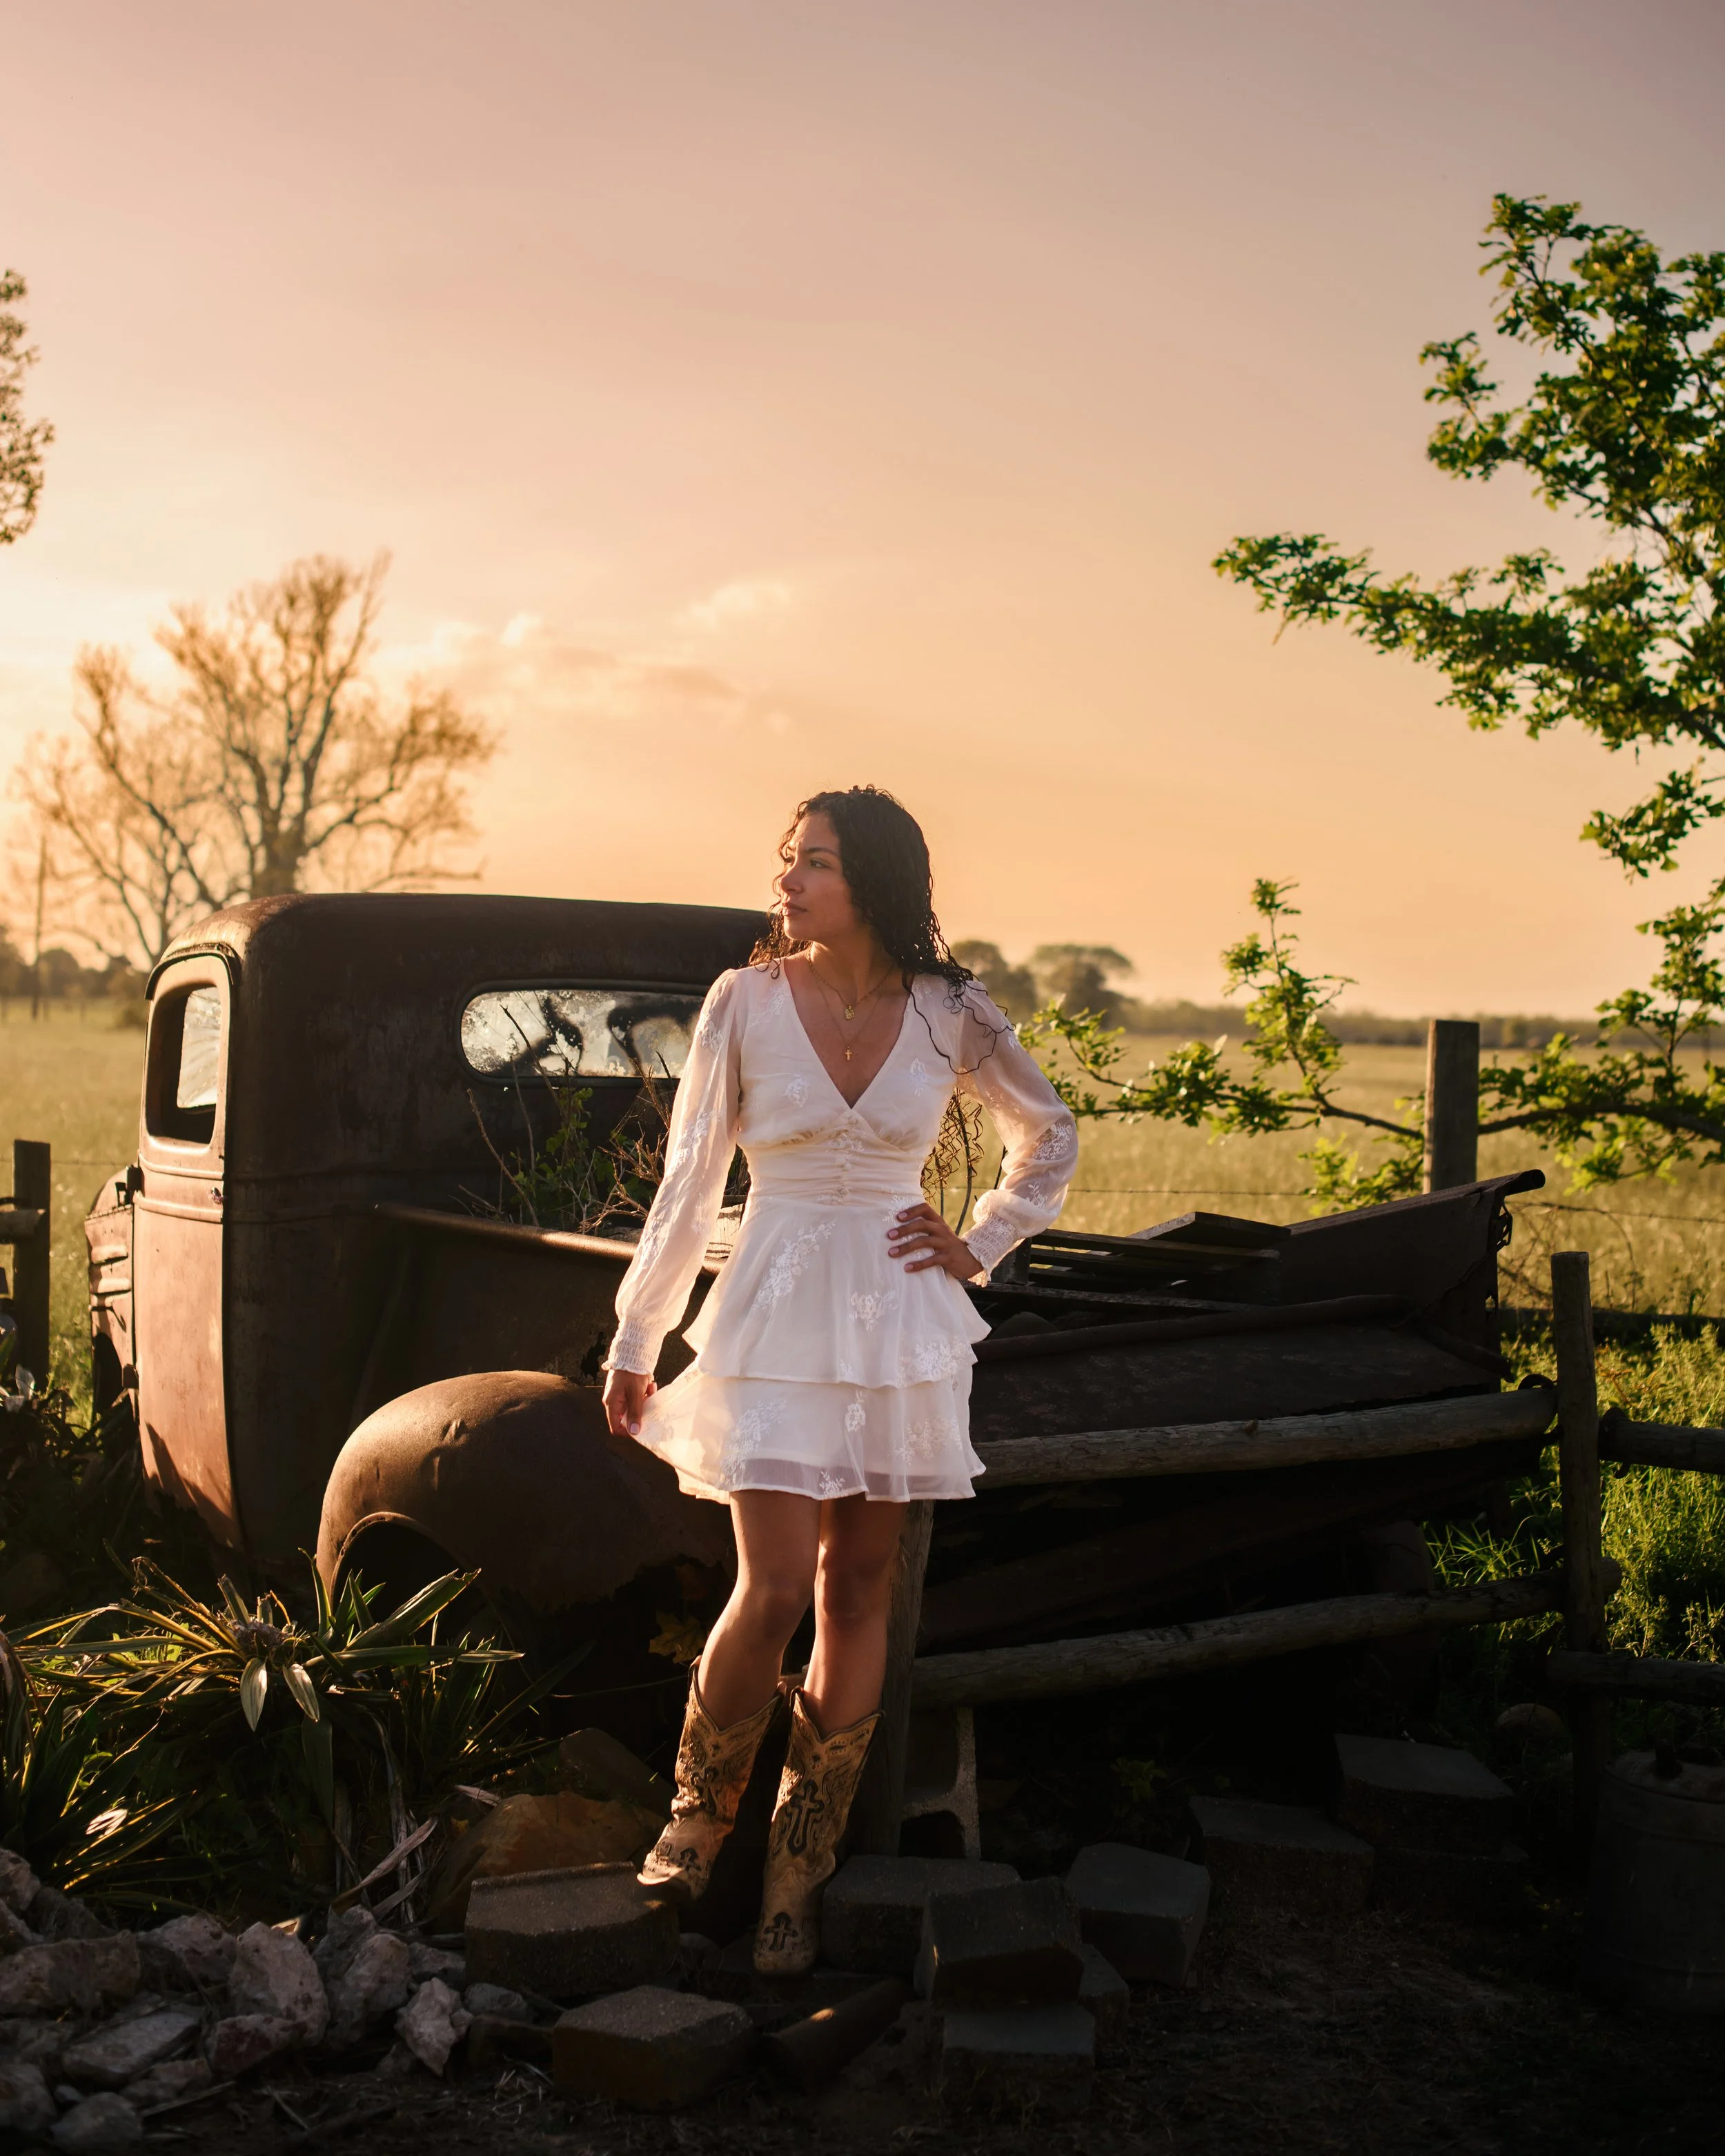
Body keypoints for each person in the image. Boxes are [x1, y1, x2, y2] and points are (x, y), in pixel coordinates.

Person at [601, 784, 1078, 1974]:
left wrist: (984, 1239)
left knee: (859, 1587)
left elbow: (1050, 1132)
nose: (788, 882)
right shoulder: (745, 1002)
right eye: (788, 861)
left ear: (873, 880)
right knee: (771, 1585)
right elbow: (690, 1179)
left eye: (812, 863)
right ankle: (697, 1825)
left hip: (902, 1325)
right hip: (774, 1315)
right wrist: (636, 1336)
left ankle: (796, 1872)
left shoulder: (949, 1011)